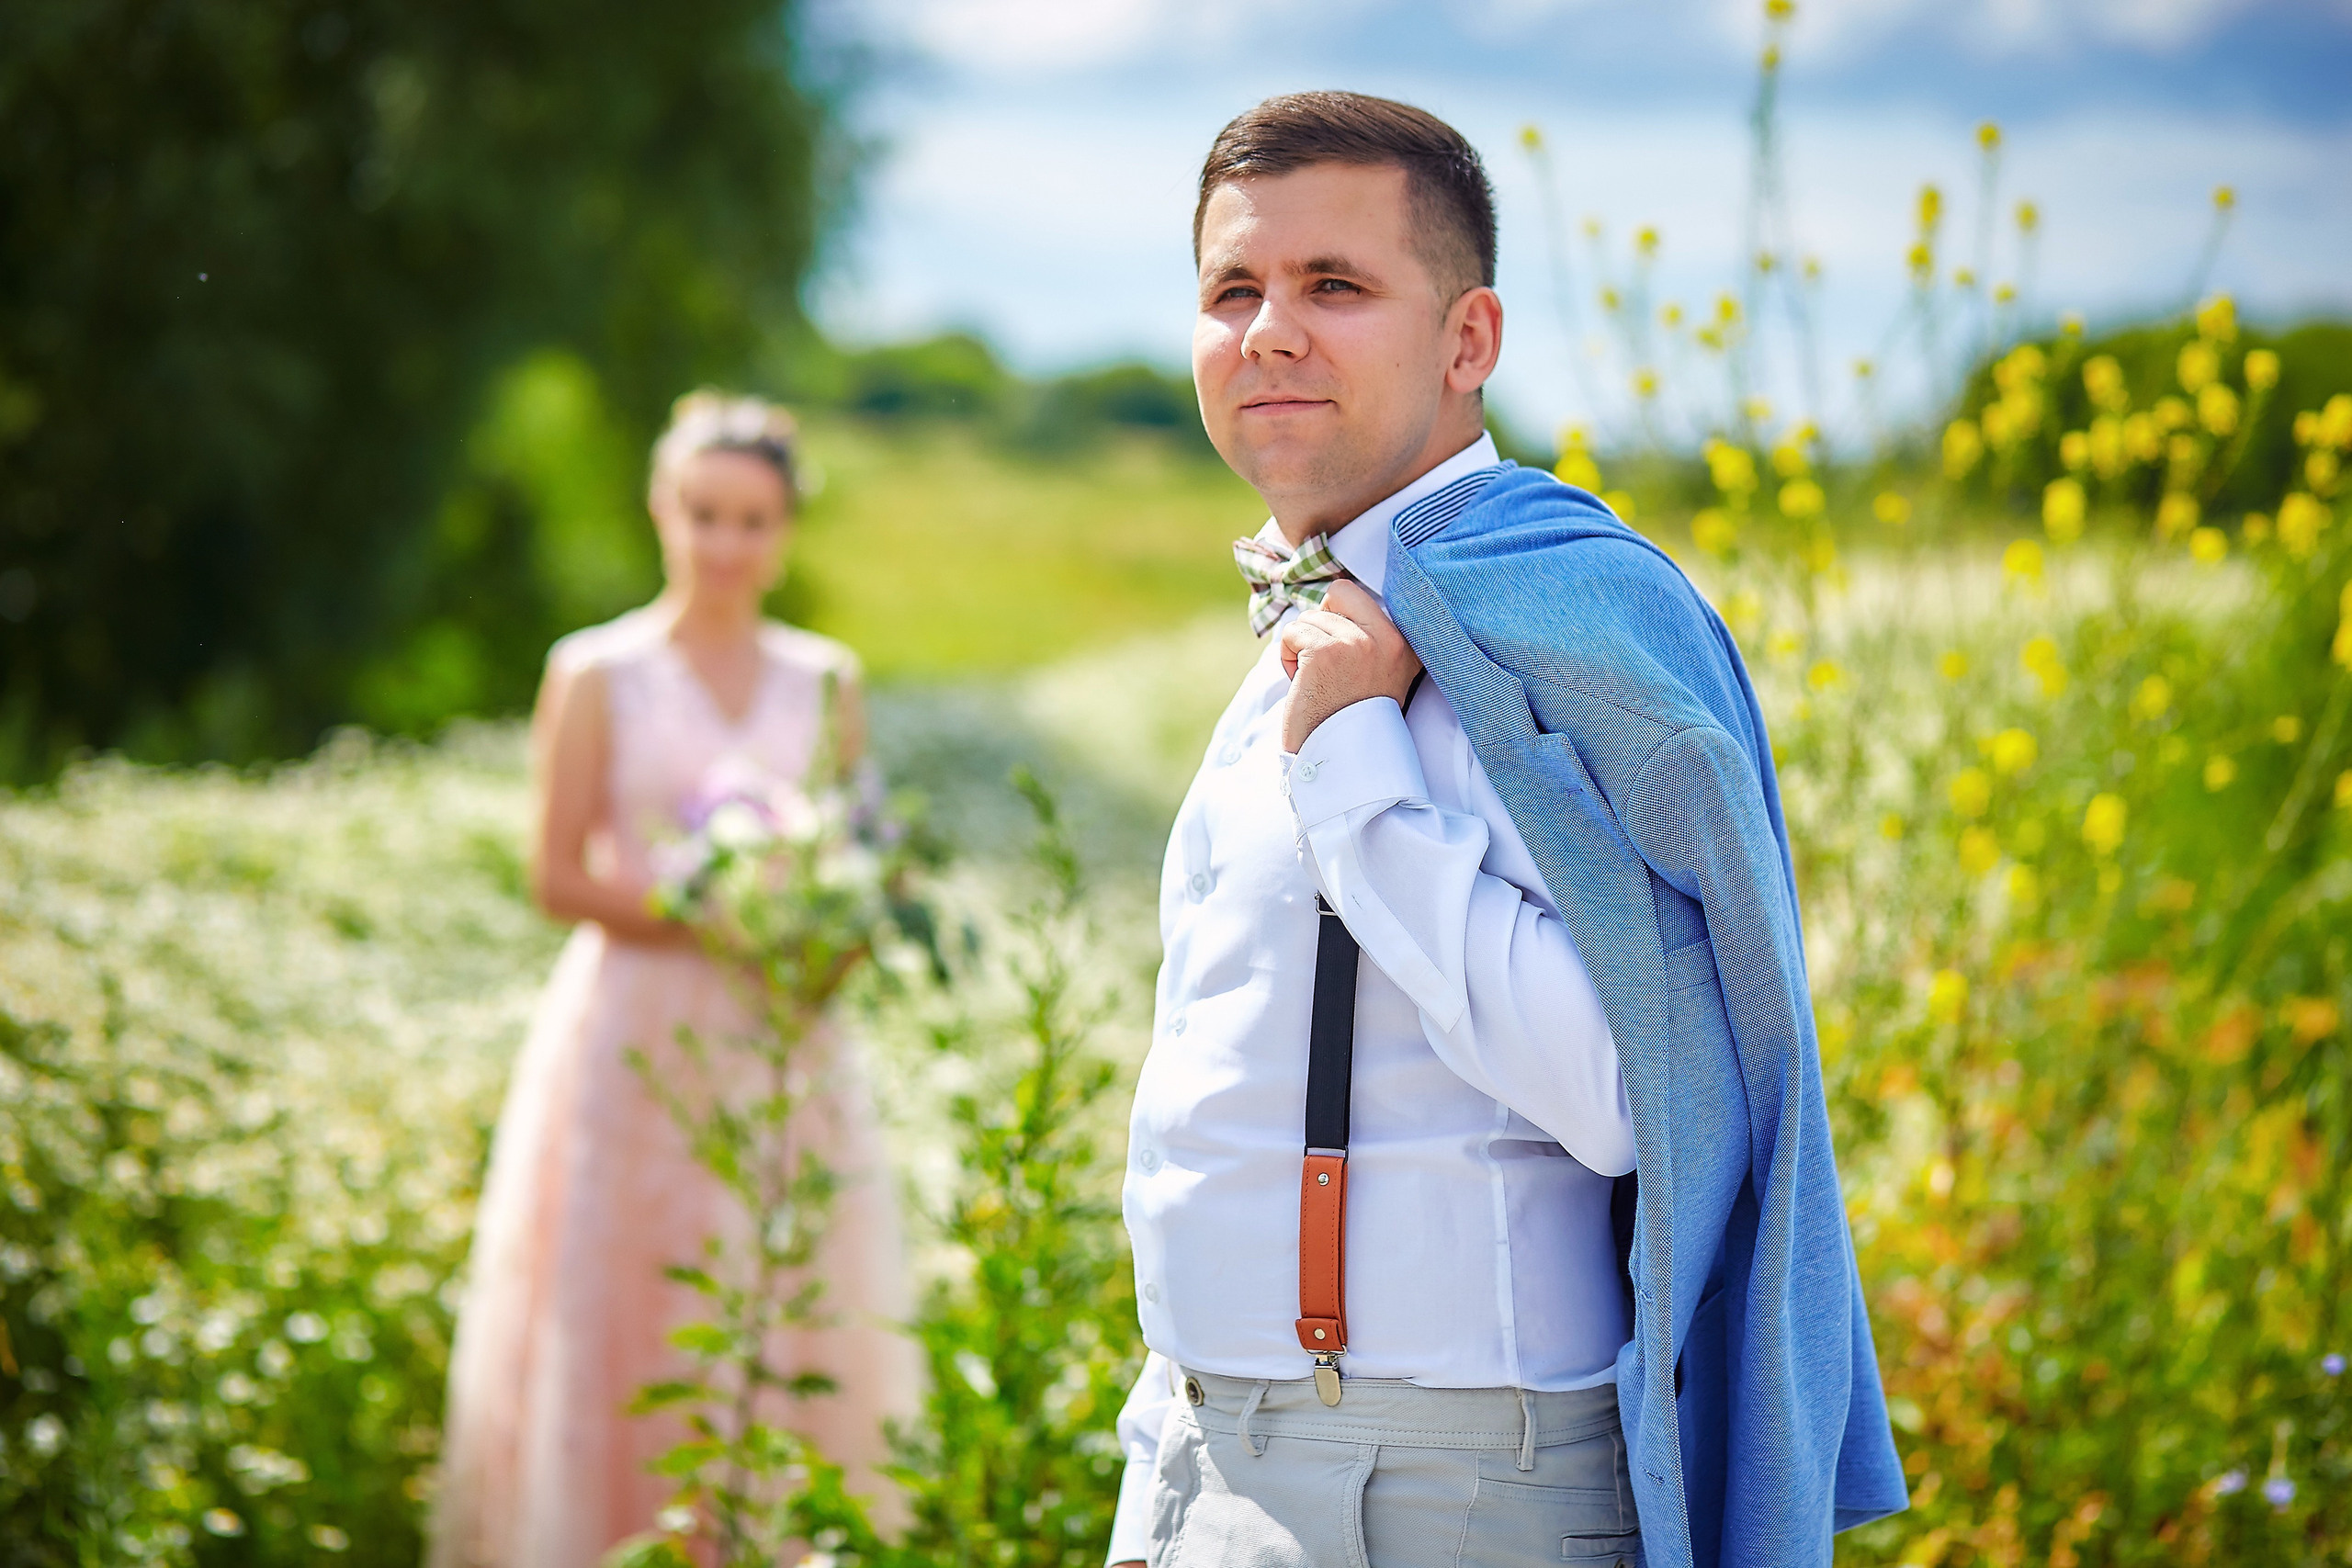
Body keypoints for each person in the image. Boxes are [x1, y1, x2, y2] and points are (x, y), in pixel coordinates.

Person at [1107, 94, 1905, 1568]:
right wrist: (1163, 1453)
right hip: (1206, 1464)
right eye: (1234, 290)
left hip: (1448, 1491)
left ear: (1469, 340)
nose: (1269, 330)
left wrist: (1353, 754)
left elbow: (1622, 1090)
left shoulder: (1565, 627)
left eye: (1333, 285)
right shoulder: (1308, 613)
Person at [430, 392, 920, 1567]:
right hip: (634, 1035)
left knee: (781, 1292)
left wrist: (830, 931)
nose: (725, 543)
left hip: (781, 1039)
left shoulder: (827, 679)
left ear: (784, 529)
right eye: (703, 514)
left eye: (751, 519)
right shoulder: (595, 672)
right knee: (630, 1302)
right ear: (663, 510)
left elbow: (864, 864)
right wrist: (707, 915)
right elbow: (556, 876)